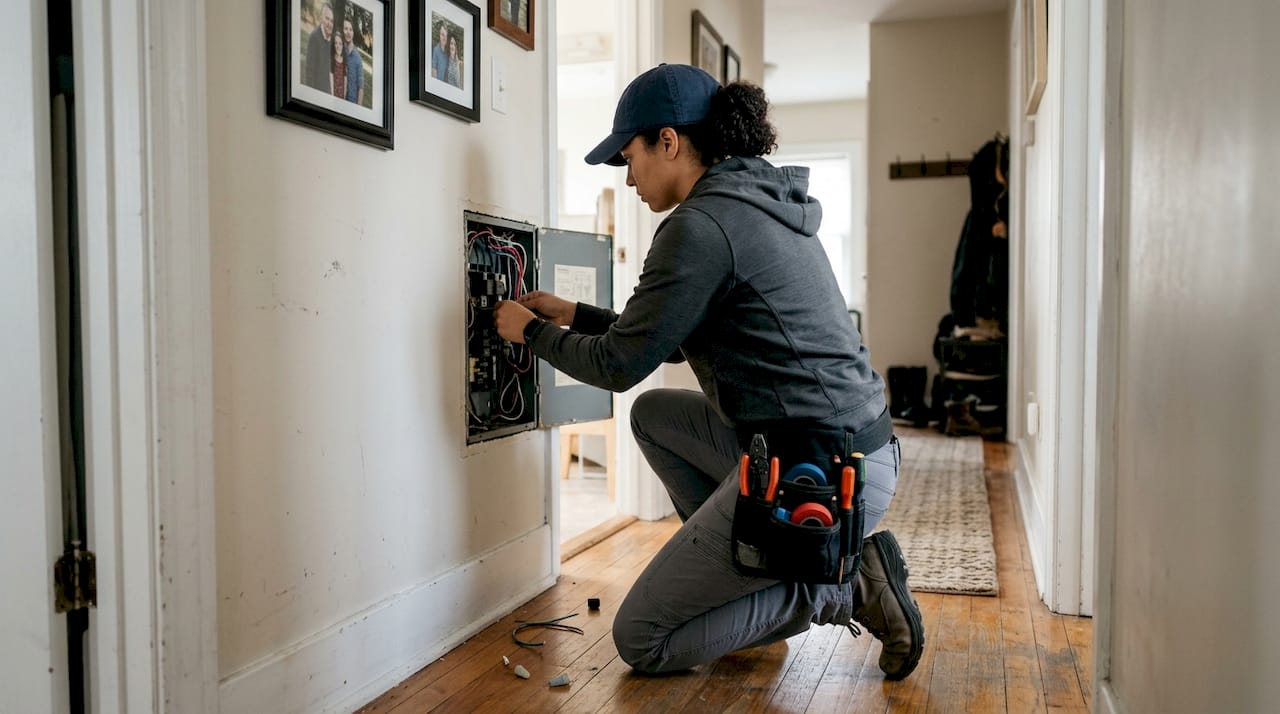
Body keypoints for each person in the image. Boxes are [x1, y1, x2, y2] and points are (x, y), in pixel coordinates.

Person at [493, 64, 925, 679]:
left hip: (822, 472)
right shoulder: (755, 200)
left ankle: (840, 587)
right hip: (853, 452)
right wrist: (576, 314)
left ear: (668, 141)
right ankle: (755, 576)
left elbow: (621, 365)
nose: (629, 175)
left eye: (629, 155)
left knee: (643, 637)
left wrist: (531, 333)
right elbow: (666, 343)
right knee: (656, 415)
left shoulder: (699, 226)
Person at [304, 2, 334, 92]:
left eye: (332, 21)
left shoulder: (331, 39)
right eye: (327, 19)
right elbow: (309, 72)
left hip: (327, 91)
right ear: (321, 18)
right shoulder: (314, 37)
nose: (329, 23)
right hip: (316, 92)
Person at [343, 16, 364, 106]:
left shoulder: (358, 59)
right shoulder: (340, 50)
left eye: (350, 29)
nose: (348, 32)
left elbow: (361, 87)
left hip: (352, 103)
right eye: (346, 29)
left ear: (353, 32)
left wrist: (358, 110)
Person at [330, 26, 347, 98]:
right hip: (334, 93)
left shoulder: (344, 61)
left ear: (343, 45)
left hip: (341, 95)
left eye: (340, 44)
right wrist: (332, 95)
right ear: (333, 45)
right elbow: (331, 79)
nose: (338, 46)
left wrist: (344, 96)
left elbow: (345, 80)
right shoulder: (332, 60)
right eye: (336, 43)